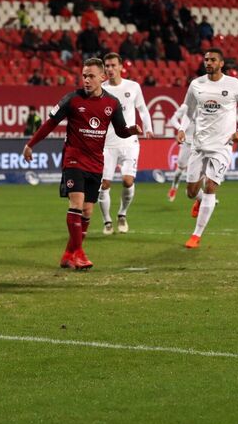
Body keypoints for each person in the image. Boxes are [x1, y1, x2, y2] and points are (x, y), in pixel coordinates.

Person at [22, 58, 143, 270]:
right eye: (84, 76)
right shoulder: (72, 99)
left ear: (102, 78)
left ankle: (68, 254)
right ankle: (79, 253)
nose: (86, 80)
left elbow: (121, 130)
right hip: (74, 158)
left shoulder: (112, 103)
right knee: (76, 204)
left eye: (91, 76)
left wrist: (132, 130)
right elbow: (50, 123)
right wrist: (30, 144)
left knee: (87, 210)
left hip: (96, 161)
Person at [176, 48, 238, 249]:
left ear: (221, 63)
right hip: (199, 144)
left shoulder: (233, 84)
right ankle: (199, 200)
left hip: (222, 145)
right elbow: (189, 110)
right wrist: (182, 128)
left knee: (211, 187)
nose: (208, 63)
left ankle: (196, 235)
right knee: (191, 192)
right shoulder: (196, 84)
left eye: (213, 60)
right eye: (206, 60)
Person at [97, 52, 152, 234]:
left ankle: (122, 214)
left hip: (129, 143)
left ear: (121, 67)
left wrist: (149, 127)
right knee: (104, 184)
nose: (110, 69)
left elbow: (142, 109)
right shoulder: (100, 89)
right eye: (107, 66)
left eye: (113, 65)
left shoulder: (133, 87)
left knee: (128, 181)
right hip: (107, 145)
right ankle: (107, 222)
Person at [166, 108, 190, 202]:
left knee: (204, 171)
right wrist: (181, 128)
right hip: (187, 143)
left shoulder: (206, 104)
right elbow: (173, 119)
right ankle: (174, 188)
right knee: (179, 171)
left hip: (201, 143)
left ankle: (209, 196)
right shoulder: (186, 106)